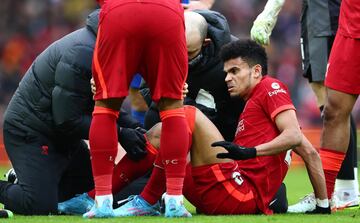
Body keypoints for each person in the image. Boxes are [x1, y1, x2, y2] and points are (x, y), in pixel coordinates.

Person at [114, 40, 330, 216]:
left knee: (188, 115)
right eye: (226, 72)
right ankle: (97, 196)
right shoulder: (256, 106)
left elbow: (293, 135)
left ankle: (148, 200)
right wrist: (323, 206)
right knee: (167, 131)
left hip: (241, 194)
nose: (227, 78)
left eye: (234, 71)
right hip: (221, 194)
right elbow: (309, 152)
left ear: (256, 71)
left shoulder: (270, 86)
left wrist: (251, 152)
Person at [0, 9, 148, 215]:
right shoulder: (81, 53)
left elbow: (105, 103)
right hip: (32, 132)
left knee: (89, 197)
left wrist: (135, 127)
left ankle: (27, 178)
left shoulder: (105, 47)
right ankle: (21, 184)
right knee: (39, 206)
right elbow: (67, 119)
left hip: (63, 137)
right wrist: (121, 133)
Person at [250, 0, 359, 211]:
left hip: (323, 15)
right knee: (335, 106)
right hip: (344, 18)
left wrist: (270, 11)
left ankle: (345, 190)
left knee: (329, 100)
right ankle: (337, 192)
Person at [86, 0, 191, 218]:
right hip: (167, 12)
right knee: (173, 107)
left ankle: (103, 202)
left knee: (106, 106)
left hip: (119, 11)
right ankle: (174, 201)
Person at [143, 10, 243, 141]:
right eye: (178, 50)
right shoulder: (162, 47)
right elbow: (146, 89)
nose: (182, 58)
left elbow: (242, 107)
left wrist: (204, 114)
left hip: (219, 130)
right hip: (173, 116)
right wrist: (184, 103)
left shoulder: (234, 55)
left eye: (189, 53)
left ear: (205, 43)